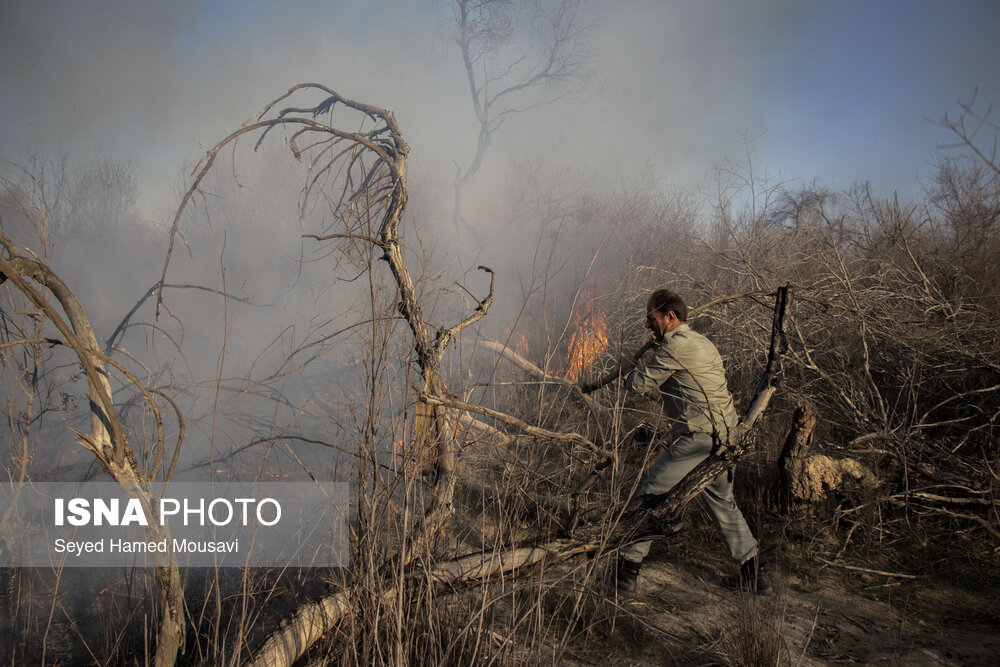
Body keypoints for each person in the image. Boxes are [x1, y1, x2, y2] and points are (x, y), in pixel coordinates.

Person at [593, 288, 770, 595]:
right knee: (724, 505)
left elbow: (638, 385)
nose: (648, 325)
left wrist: (627, 369)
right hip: (725, 440)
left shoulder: (676, 349)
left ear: (670, 316)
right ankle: (754, 575)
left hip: (698, 442)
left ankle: (624, 574)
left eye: (652, 317)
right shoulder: (701, 343)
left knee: (650, 498)